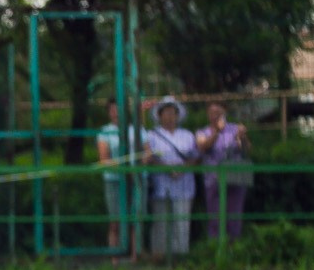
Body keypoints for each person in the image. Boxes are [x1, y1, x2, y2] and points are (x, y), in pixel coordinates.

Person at [144, 96, 197, 260]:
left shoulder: (187, 135)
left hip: (184, 185)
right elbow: (149, 157)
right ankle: (159, 256)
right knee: (161, 221)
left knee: (182, 222)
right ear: (159, 115)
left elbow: (195, 157)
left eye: (172, 113)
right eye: (165, 113)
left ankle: (180, 256)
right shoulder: (152, 135)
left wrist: (182, 169)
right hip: (161, 185)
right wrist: (167, 169)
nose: (169, 116)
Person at [194, 101, 252, 243]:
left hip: (235, 178)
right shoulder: (202, 132)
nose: (215, 116)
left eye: (218, 113)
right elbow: (203, 147)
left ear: (224, 114)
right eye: (212, 113)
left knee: (234, 215)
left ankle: (234, 247)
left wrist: (243, 136)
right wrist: (217, 132)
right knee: (215, 216)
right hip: (213, 180)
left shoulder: (234, 129)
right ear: (208, 116)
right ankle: (216, 247)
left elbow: (247, 150)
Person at [96, 98, 135, 254]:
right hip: (113, 181)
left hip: (134, 180)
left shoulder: (135, 129)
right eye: (112, 110)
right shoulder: (105, 132)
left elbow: (146, 153)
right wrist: (123, 166)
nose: (115, 113)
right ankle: (115, 257)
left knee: (134, 220)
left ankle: (134, 256)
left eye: (118, 109)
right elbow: (104, 159)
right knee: (115, 222)